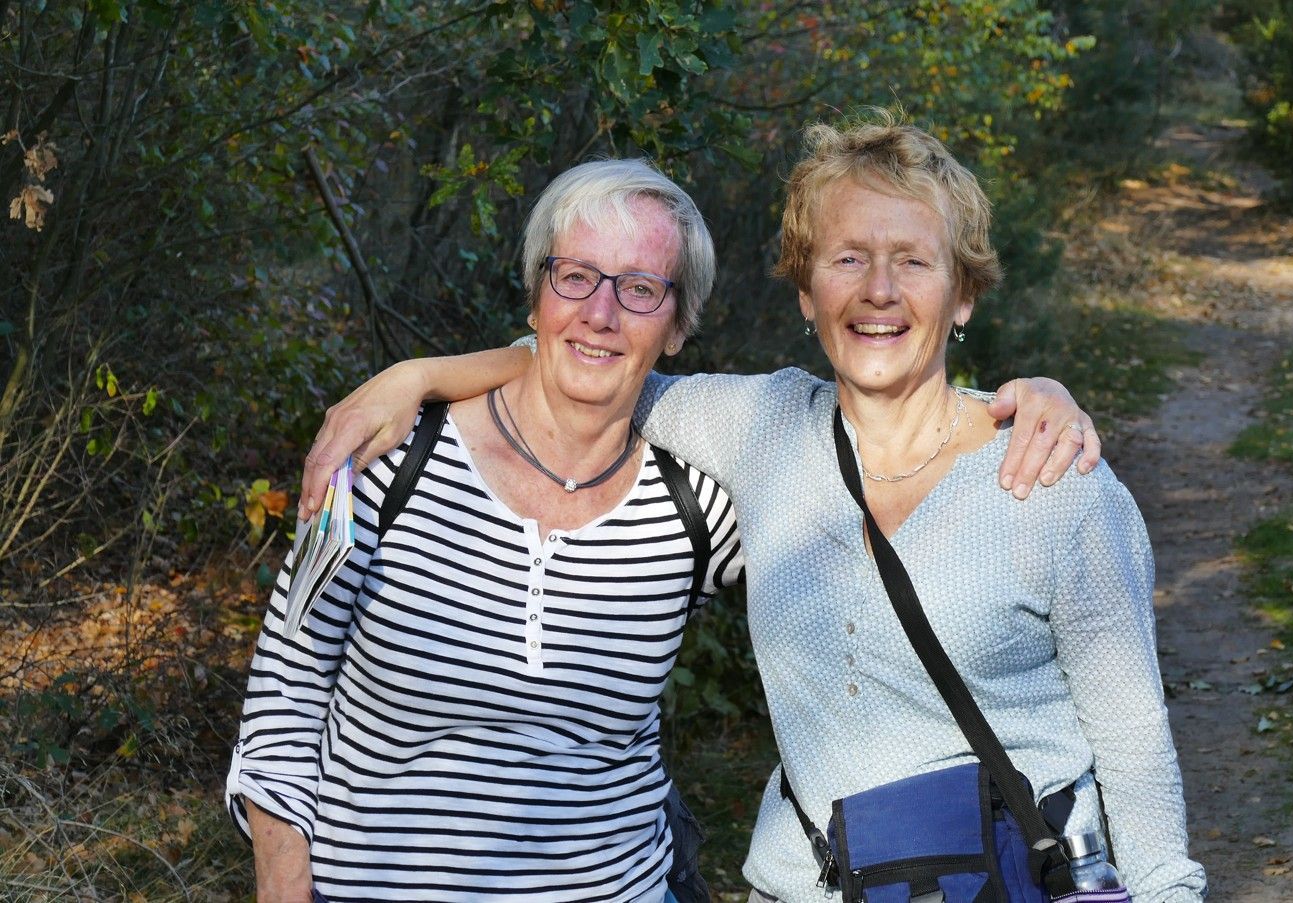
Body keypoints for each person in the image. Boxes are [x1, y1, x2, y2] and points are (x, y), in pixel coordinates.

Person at [303, 114, 1206, 902]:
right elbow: (590, 357)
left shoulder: (1055, 482)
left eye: (913, 262)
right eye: (848, 259)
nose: (878, 291)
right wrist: (412, 377)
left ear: (963, 292)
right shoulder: (766, 427)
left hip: (1004, 882)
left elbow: (1133, 741)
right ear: (808, 291)